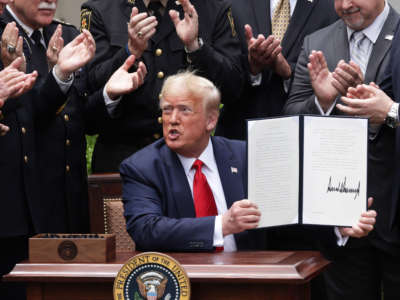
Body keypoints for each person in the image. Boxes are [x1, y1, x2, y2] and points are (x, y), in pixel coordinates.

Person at [120, 71, 376, 252]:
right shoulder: (142, 167)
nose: (172, 119)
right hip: (181, 283)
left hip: (249, 279)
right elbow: (147, 230)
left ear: (211, 120)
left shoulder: (247, 156)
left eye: (184, 110)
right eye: (167, 110)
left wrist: (338, 226)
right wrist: (223, 224)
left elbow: (284, 220)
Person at [284, 0, 400, 299]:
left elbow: (388, 110)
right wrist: (323, 102)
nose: (345, 5)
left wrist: (390, 111)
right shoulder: (317, 41)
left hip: (394, 210)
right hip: (338, 216)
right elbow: (290, 118)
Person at [0, 0, 147, 233]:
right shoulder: (3, 36)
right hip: (19, 206)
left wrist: (108, 94)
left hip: (69, 200)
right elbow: (28, 118)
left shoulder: (67, 34)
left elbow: (83, 119)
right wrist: (58, 75)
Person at [81, 0, 243, 172]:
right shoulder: (101, 9)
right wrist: (129, 52)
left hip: (190, 162)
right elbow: (91, 89)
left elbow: (233, 87)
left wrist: (196, 48)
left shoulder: (212, 7)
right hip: (123, 162)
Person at [215, 0, 338, 140]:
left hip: (304, 137)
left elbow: (332, 71)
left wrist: (288, 72)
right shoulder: (231, 4)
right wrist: (252, 67)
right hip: (240, 137)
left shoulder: (333, 6)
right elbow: (222, 71)